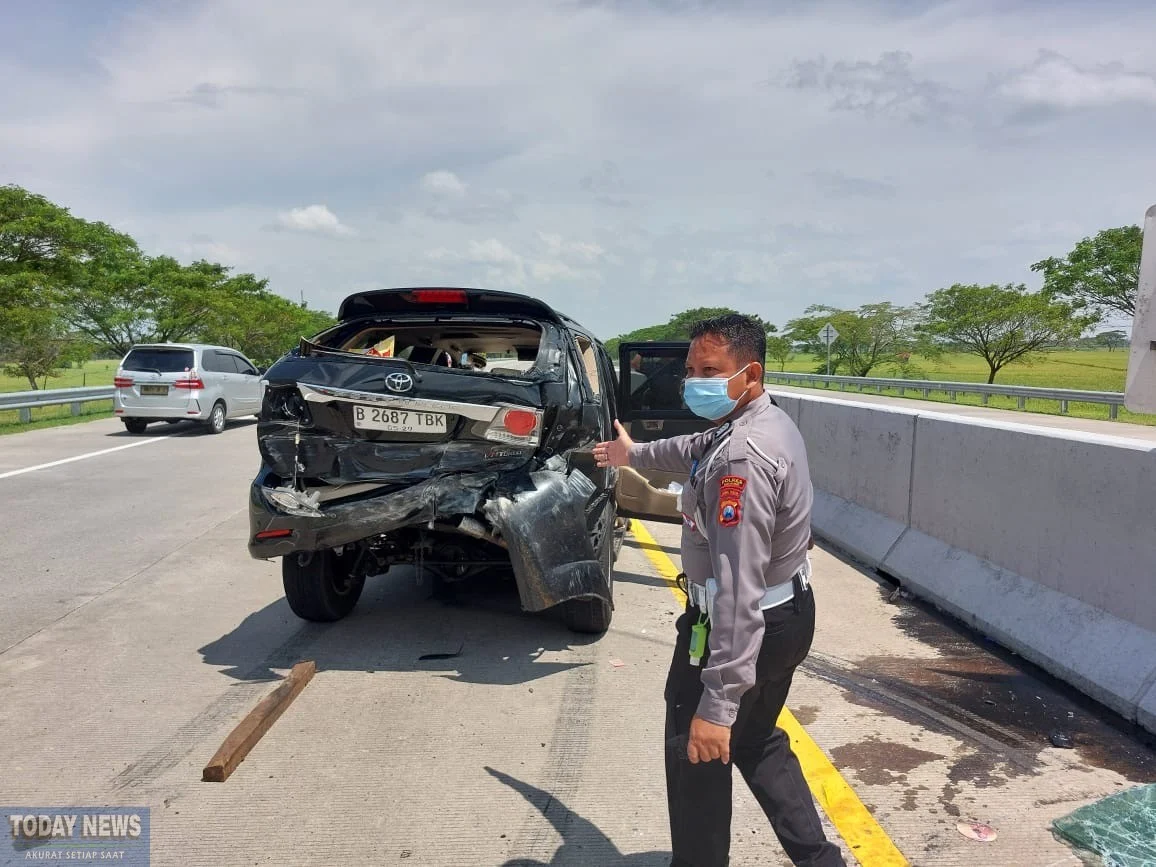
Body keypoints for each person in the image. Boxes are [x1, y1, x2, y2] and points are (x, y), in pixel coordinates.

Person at [594, 314, 845, 867]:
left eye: (711, 370)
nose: (694, 381)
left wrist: (719, 700)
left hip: (741, 629)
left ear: (749, 374)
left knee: (699, 757)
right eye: (690, 369)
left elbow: (737, 590)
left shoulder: (740, 459)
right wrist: (631, 454)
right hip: (789, 615)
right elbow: (691, 447)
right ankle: (821, 860)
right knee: (758, 741)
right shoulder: (763, 421)